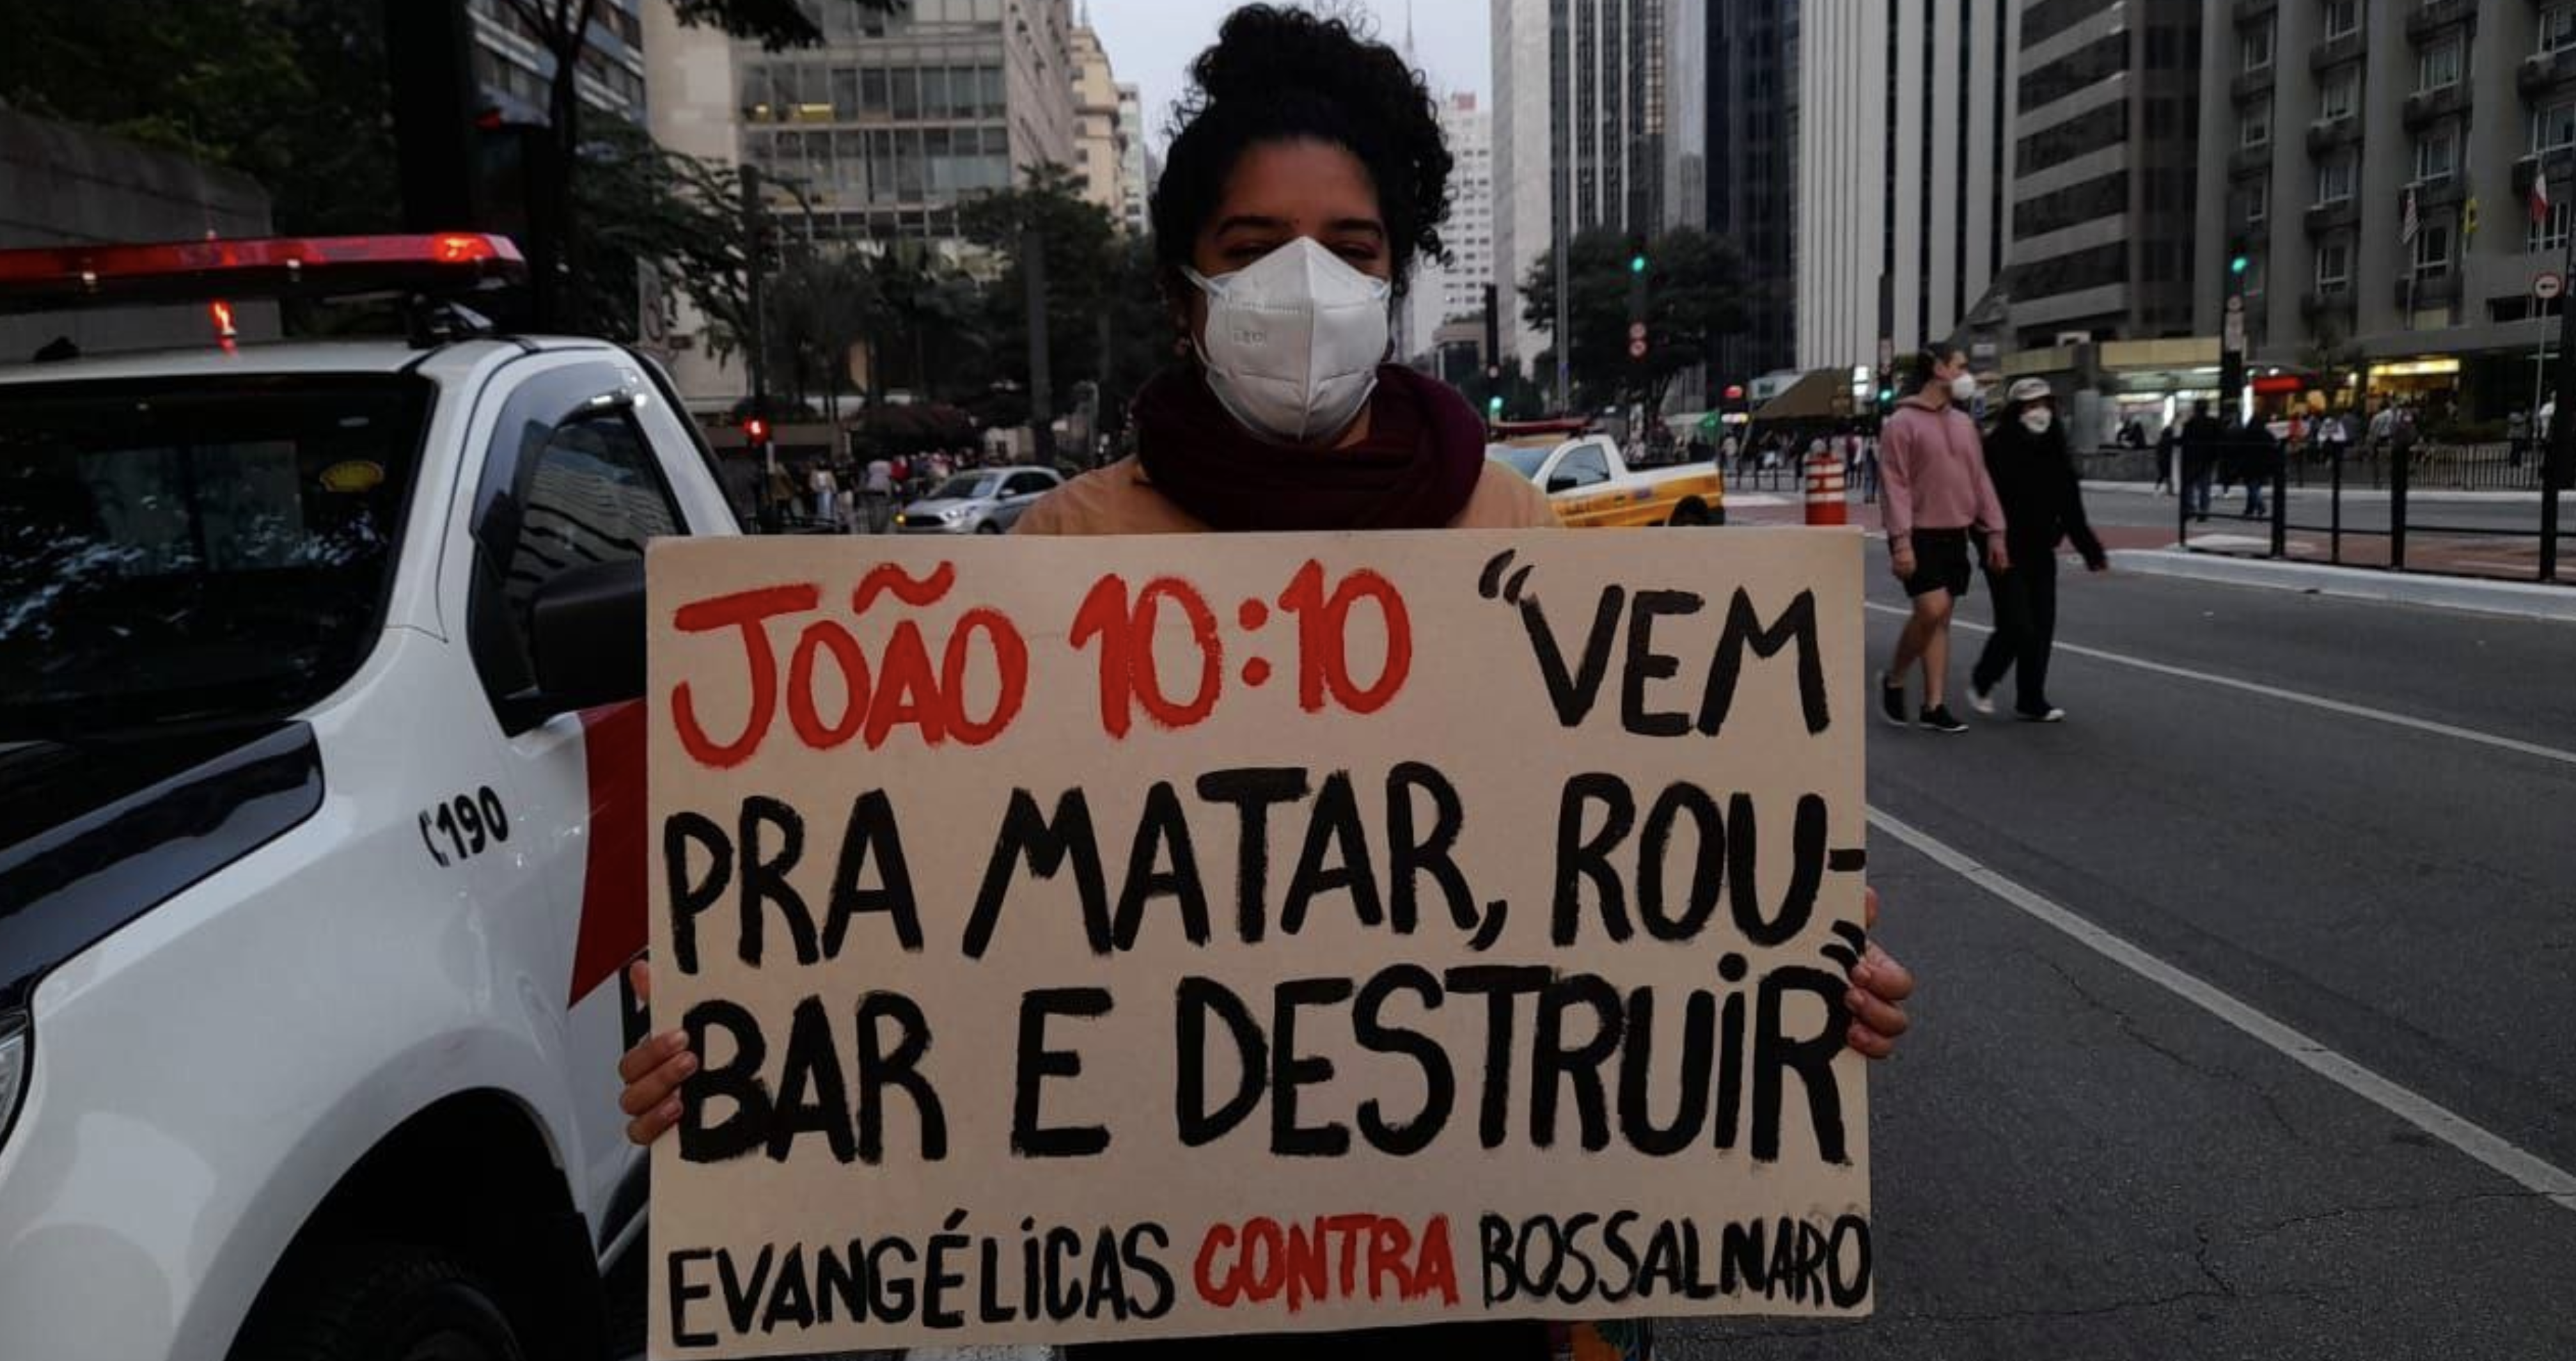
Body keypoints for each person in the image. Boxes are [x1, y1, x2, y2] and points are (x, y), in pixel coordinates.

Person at [613, 10, 1917, 1361]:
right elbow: (939, 899)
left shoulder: (1510, 530)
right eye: (1249, 249)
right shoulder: (1061, 549)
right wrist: (747, 1036)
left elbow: (1635, 882)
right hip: (1157, 1268)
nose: (1305, 282)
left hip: (1464, 1263)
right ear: (1183, 293)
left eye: (1351, 248)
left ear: (1395, 276)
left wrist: (1798, 979)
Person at [1879, 347, 2009, 735]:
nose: (1967, 374)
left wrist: (1995, 531)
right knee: (1932, 609)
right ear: (1938, 369)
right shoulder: (1901, 423)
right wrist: (1901, 541)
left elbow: (1980, 479)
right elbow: (1895, 485)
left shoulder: (1964, 424)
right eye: (1961, 366)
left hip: (1956, 532)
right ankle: (1895, 678)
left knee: (1941, 620)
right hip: (1918, 532)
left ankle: (1934, 706)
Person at [1968, 381, 2107, 725]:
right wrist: (1988, 543)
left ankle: (2031, 699)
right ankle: (1983, 680)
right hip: (2003, 551)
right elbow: (1978, 504)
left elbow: (2071, 507)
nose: (2039, 413)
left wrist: (2091, 550)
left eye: (2044, 405)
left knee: (2042, 628)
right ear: (2017, 411)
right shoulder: (1996, 448)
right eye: (2031, 406)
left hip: (2041, 551)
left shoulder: (2055, 448)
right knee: (2017, 624)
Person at [2179, 400, 2224, 521]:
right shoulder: (2213, 423)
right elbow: (2220, 439)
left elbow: (2184, 440)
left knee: (2189, 485)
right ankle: (2203, 512)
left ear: (2196, 410)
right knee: (2204, 487)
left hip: (2192, 459)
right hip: (2207, 459)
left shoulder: (2190, 423)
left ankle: (2190, 509)